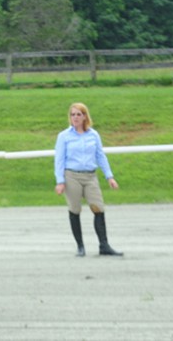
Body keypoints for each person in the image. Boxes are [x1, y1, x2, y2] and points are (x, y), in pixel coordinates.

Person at [54, 102, 123, 257]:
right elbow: (59, 159)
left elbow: (100, 155)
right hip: (72, 176)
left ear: (85, 116)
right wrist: (60, 181)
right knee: (75, 209)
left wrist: (109, 176)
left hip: (90, 176)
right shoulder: (64, 136)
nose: (75, 117)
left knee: (98, 208)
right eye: (73, 115)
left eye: (79, 114)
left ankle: (104, 245)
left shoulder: (93, 135)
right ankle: (80, 246)